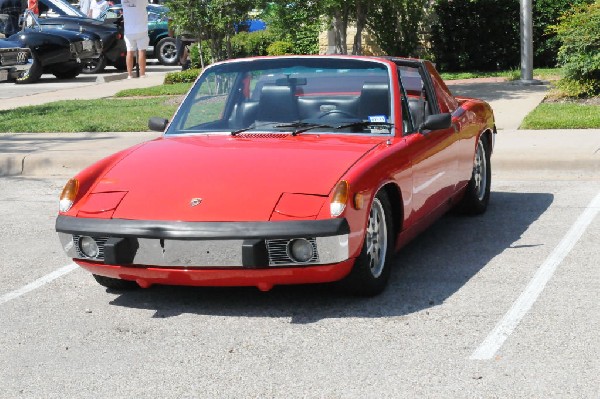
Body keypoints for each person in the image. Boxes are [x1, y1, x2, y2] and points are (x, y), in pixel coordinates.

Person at [121, 0, 149, 79]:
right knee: (142, 51)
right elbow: (147, 5)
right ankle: (142, 74)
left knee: (129, 52)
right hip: (141, 29)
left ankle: (129, 74)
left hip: (129, 30)